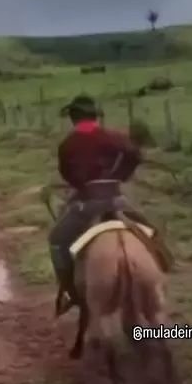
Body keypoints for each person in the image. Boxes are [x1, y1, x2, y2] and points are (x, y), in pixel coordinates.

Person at [49, 93, 154, 315]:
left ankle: (69, 291)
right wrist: (120, 176)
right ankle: (162, 270)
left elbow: (66, 172)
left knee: (57, 240)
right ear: (95, 117)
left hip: (86, 204)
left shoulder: (68, 144)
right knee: (150, 231)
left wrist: (80, 184)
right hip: (116, 200)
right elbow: (135, 156)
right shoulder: (115, 137)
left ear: (73, 118)